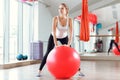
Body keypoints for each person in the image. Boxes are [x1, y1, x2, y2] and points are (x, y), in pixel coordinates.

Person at [37, 3, 84, 77]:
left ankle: (79, 71)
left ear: (66, 10)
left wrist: (68, 44)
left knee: (70, 53)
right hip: (53, 36)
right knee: (48, 52)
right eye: (59, 8)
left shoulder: (70, 20)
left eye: (62, 8)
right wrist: (56, 44)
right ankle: (39, 71)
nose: (60, 10)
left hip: (64, 37)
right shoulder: (55, 19)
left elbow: (71, 33)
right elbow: (54, 32)